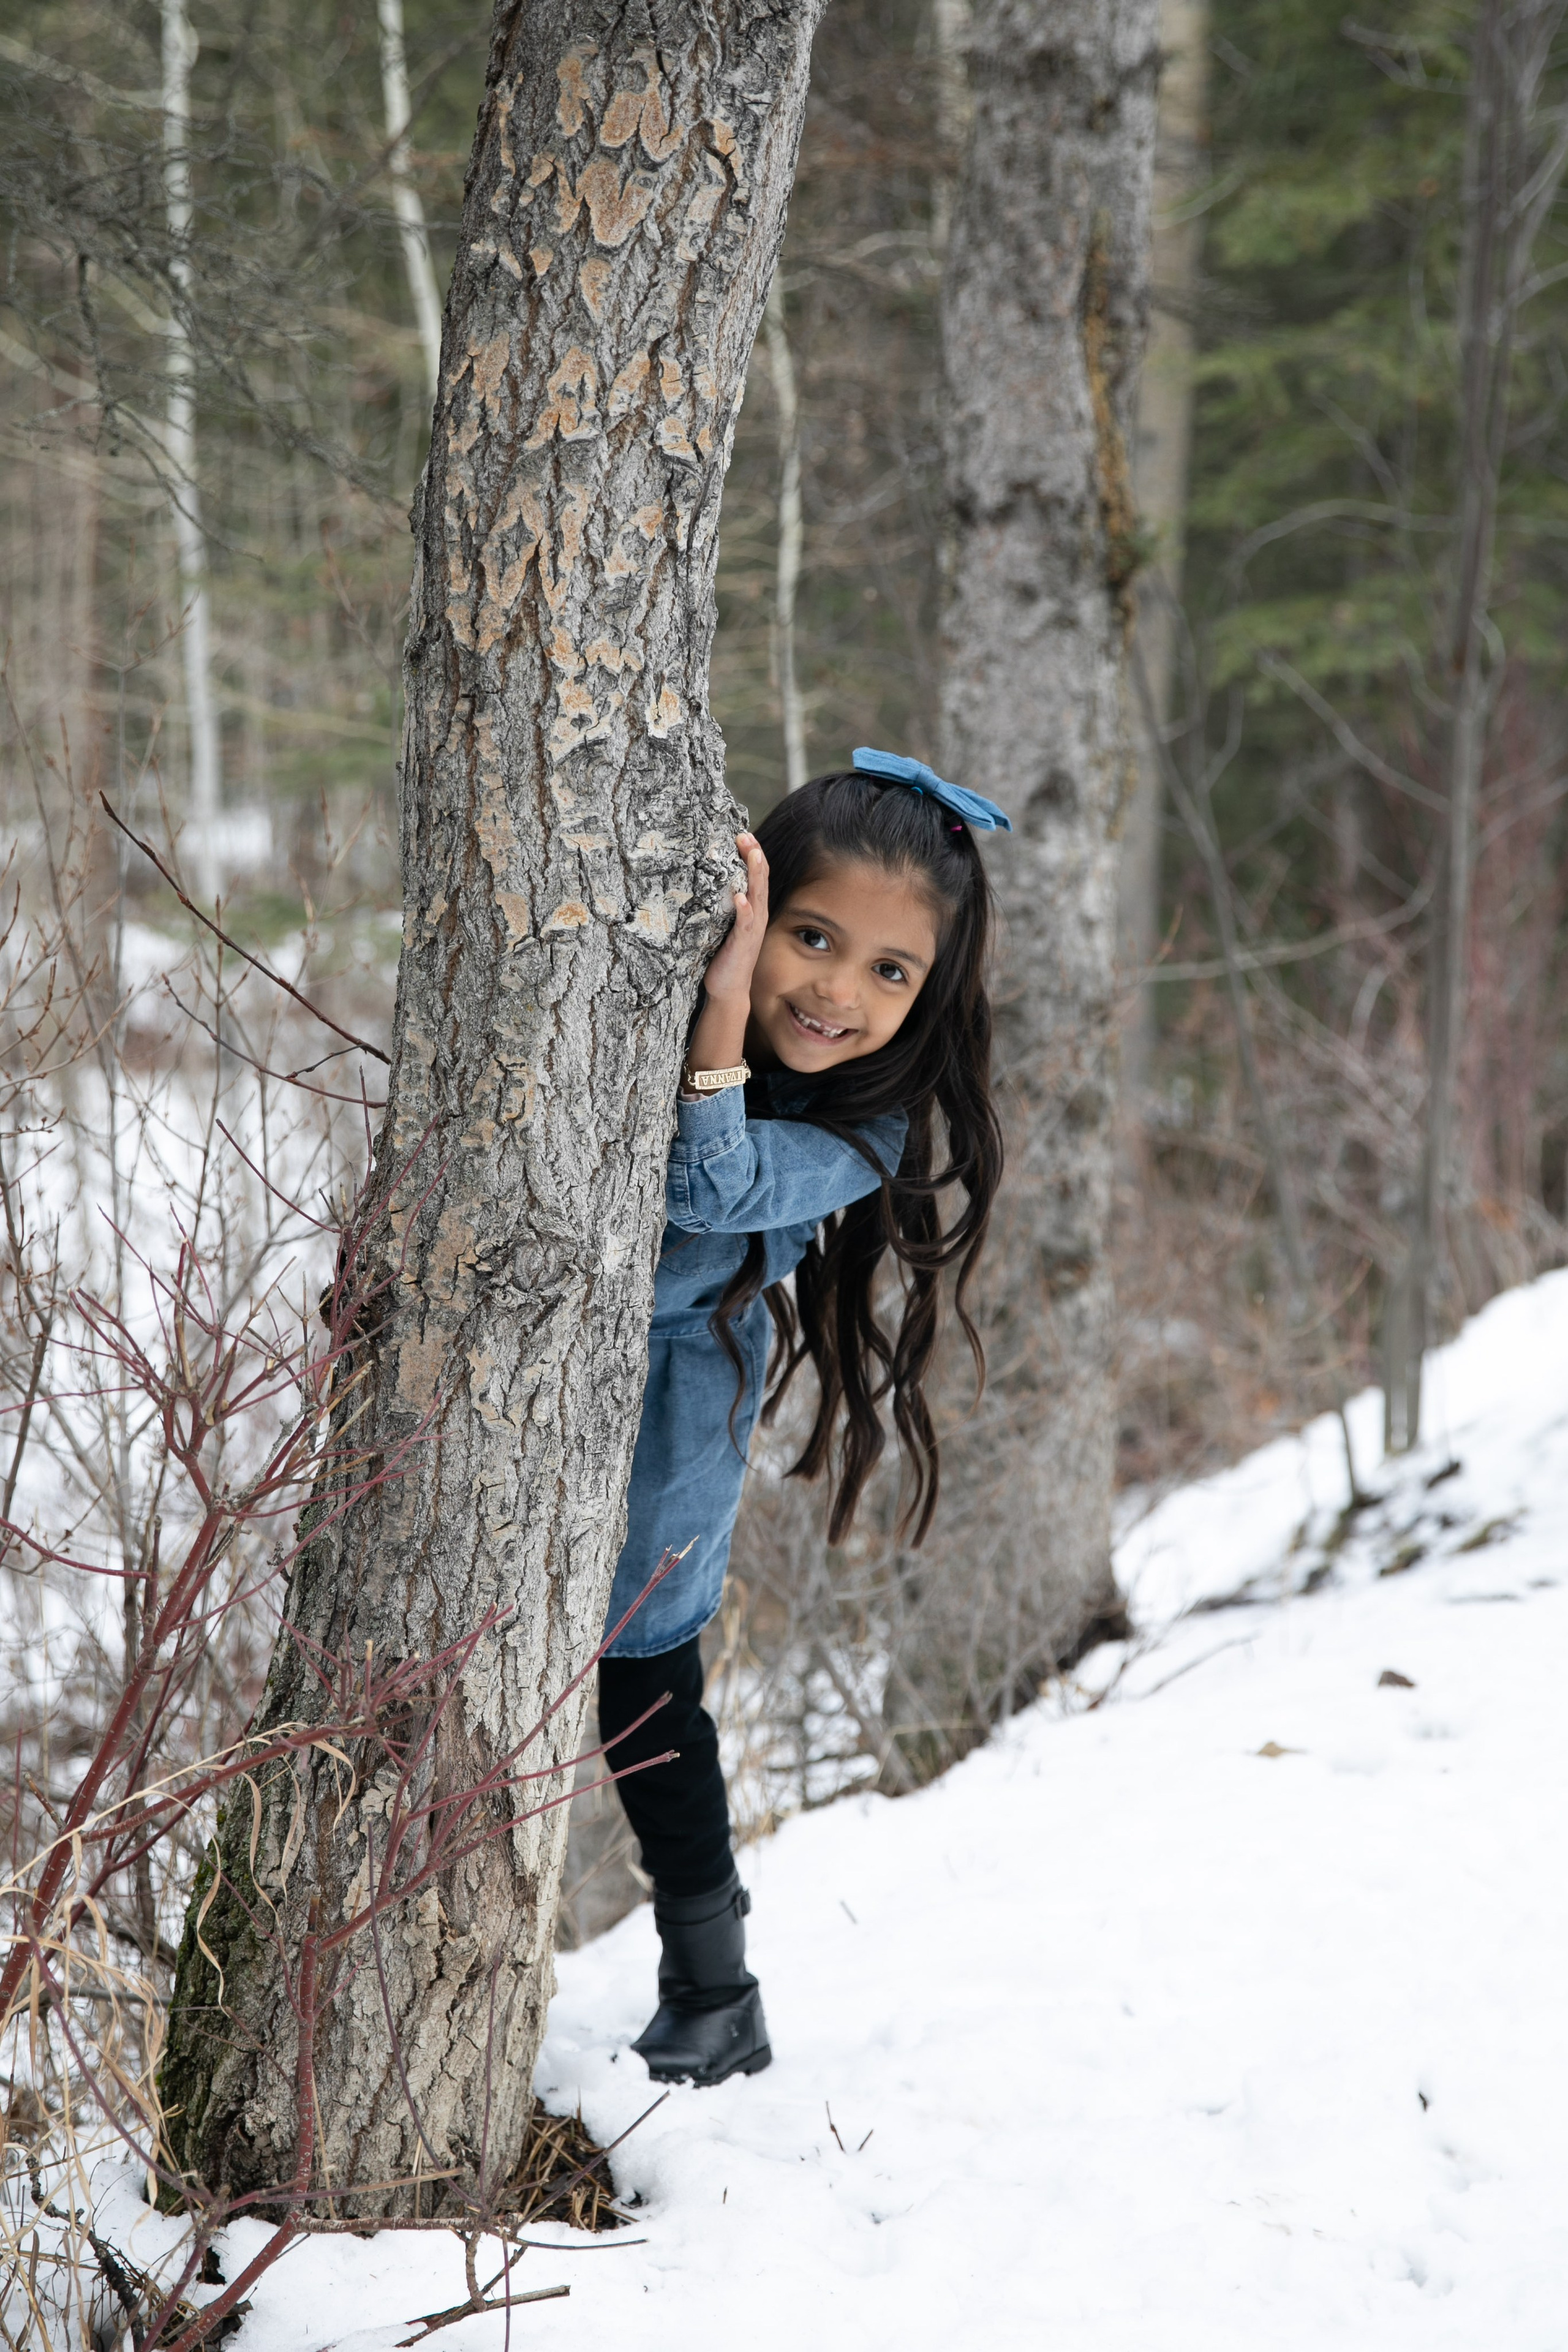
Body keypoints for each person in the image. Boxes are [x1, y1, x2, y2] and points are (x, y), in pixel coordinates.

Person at [596, 748, 1009, 2086]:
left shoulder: (865, 1129)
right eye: (809, 937)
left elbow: (707, 1192)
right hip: (536, 1373)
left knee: (641, 1675)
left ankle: (715, 1986)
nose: (835, 990)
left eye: (888, 971)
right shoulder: (630, 1002)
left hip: (679, 1393)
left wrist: (724, 1012)